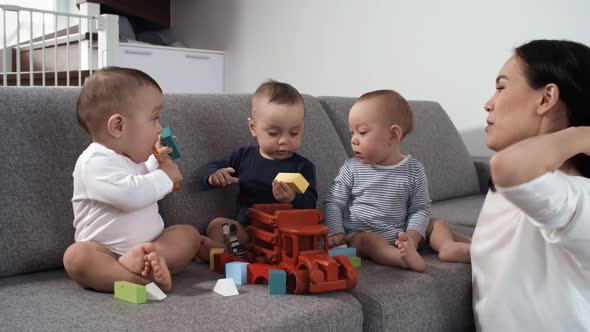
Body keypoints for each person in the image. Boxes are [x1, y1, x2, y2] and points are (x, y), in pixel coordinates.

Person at [472, 39, 590, 330]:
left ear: (545, 98)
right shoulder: (515, 188)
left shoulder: (581, 197)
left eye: (501, 87)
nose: (488, 102)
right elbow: (522, 253)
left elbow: (508, 167)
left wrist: (585, 135)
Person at [63, 67, 204, 292]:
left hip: (152, 243)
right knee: (76, 257)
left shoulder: (132, 159)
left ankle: (152, 259)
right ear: (118, 126)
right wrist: (164, 177)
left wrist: (157, 162)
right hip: (105, 252)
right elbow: (129, 195)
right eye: (154, 119)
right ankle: (138, 280)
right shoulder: (93, 162)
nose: (159, 128)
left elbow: (140, 178)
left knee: (189, 235)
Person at [325, 89, 470, 272]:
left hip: (401, 231)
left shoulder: (414, 170)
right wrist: (337, 233)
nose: (354, 140)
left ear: (393, 135)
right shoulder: (351, 168)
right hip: (361, 233)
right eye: (351, 132)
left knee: (437, 224)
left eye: (362, 132)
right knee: (370, 241)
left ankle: (448, 247)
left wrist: (412, 236)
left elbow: (419, 208)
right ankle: (402, 258)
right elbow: (334, 203)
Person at [202, 80, 317, 256]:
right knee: (218, 225)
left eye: (294, 133)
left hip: (285, 233)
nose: (284, 140)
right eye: (273, 133)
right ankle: (239, 253)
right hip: (247, 231)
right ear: (253, 127)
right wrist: (214, 175)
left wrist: (292, 198)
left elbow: (311, 202)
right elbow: (213, 166)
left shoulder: (302, 166)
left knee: (308, 236)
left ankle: (245, 254)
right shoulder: (243, 157)